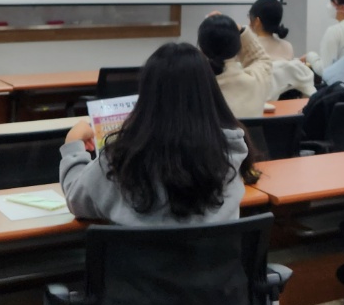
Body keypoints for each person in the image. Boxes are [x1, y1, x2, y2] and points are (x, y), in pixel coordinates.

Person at [59, 42, 258, 225]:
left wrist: (73, 146)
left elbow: (76, 199)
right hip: (215, 255)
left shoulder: (121, 161)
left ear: (147, 97)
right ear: (209, 94)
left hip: (138, 255)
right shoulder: (228, 157)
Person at [197, 12, 274, 119]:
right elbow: (260, 57)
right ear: (238, 47)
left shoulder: (194, 90)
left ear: (201, 49)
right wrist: (240, 30)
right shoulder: (257, 80)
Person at [249, 0, 316, 97]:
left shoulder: (249, 47)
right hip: (288, 104)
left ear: (257, 21)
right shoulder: (287, 46)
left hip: (259, 101)